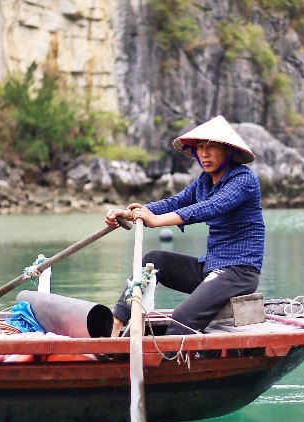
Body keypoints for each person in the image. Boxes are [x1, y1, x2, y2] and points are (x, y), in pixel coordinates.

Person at [105, 115, 264, 336]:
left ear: (228, 150)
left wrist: (158, 221)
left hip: (238, 272)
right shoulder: (205, 181)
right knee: (154, 260)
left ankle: (169, 362)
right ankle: (115, 328)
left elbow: (210, 207)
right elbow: (176, 202)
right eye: (200, 147)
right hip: (211, 267)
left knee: (181, 321)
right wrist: (133, 213)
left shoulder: (243, 180)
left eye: (212, 147)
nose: (205, 153)